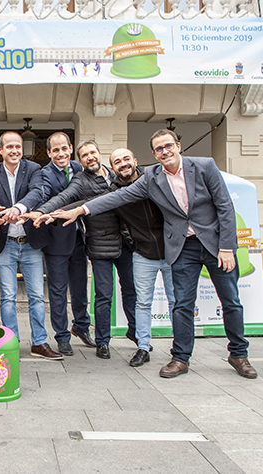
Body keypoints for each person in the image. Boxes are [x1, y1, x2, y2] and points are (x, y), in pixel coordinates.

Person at [52, 129, 257, 379]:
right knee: (181, 304)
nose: (165, 151)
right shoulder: (152, 177)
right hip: (183, 248)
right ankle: (180, 358)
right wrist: (81, 210)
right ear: (153, 154)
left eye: (168, 146)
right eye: (159, 149)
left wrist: (227, 248)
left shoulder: (204, 166)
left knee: (231, 302)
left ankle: (238, 354)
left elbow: (225, 206)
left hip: (215, 246)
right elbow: (116, 197)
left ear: (178, 146)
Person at [30, 140, 136, 360]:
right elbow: (65, 197)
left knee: (85, 290)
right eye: (85, 154)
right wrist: (42, 212)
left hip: (92, 240)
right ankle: (66, 337)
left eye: (93, 153)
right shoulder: (72, 176)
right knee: (66, 292)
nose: (90, 157)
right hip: (71, 239)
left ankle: (85, 327)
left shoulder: (115, 174)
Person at [0, 131, 62, 360]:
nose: (14, 150)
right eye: (10, 147)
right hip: (5, 243)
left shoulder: (33, 169)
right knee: (7, 296)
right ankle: (11, 344)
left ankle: (39, 343)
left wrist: (19, 208)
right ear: (1, 150)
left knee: (36, 295)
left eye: (17, 146)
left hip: (30, 244)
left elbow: (38, 192)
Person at [108, 148, 174, 367]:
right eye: (117, 162)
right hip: (143, 254)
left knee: (177, 302)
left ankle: (181, 348)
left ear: (135, 161)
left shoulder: (156, 179)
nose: (123, 164)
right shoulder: (115, 193)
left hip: (172, 253)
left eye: (126, 159)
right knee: (142, 303)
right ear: (113, 168)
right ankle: (143, 347)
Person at [38, 133, 92, 356]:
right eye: (55, 150)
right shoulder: (44, 175)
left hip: (80, 238)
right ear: (49, 153)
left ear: (70, 148)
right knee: (58, 291)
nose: (61, 154)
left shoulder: (80, 168)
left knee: (80, 288)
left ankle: (81, 325)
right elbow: (48, 202)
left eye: (64, 149)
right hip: (56, 240)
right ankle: (62, 336)